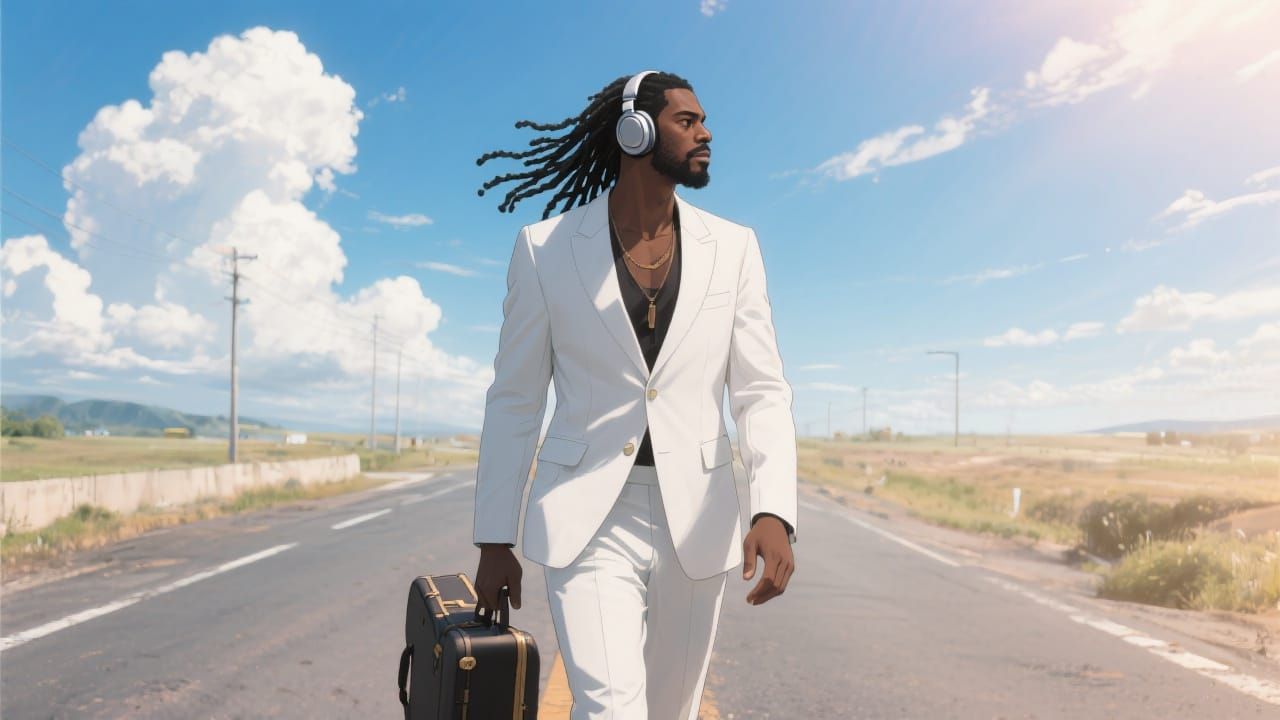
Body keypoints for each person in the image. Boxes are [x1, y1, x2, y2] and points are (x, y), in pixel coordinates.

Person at [471, 70, 797, 720]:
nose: (706, 133)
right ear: (636, 131)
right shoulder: (545, 251)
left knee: (669, 712)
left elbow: (760, 390)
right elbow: (515, 399)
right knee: (610, 710)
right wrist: (494, 538)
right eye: (688, 121)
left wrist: (772, 510)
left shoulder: (734, 250)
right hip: (587, 514)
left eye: (703, 121)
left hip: (697, 518)